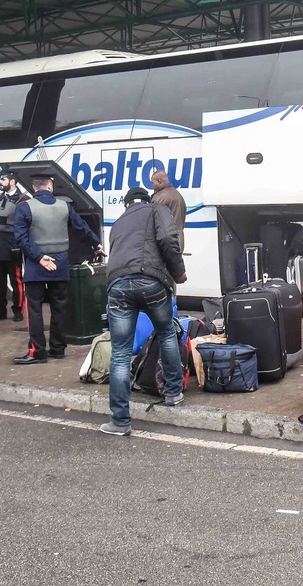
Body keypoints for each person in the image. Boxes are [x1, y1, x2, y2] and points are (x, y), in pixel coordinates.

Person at [99, 187, 187, 436]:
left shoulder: (118, 223)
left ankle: (120, 421)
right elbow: (169, 239)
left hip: (117, 286)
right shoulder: (157, 209)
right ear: (146, 200)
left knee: (120, 353)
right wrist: (178, 272)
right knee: (167, 333)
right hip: (151, 281)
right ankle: (173, 393)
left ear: (127, 204)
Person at [11, 173, 102, 365]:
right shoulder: (65, 206)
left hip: (36, 266)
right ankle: (58, 348)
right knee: (59, 306)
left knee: (34, 309)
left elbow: (21, 239)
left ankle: (37, 351)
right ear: (50, 187)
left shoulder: (24, 207)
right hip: (60, 263)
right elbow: (81, 227)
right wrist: (96, 244)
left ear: (35, 188)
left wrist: (39, 257)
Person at [0, 171, 29, 322]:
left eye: (3, 179)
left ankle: (18, 310)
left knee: (16, 280)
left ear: (12, 181)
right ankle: (0, 310)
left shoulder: (24, 200)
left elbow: (28, 226)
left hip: (13, 245)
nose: (0, 182)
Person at [149, 169, 188, 252]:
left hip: (167, 243)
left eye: (153, 182)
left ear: (159, 181)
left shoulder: (160, 198)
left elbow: (153, 222)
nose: (152, 185)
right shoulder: (177, 194)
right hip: (178, 240)